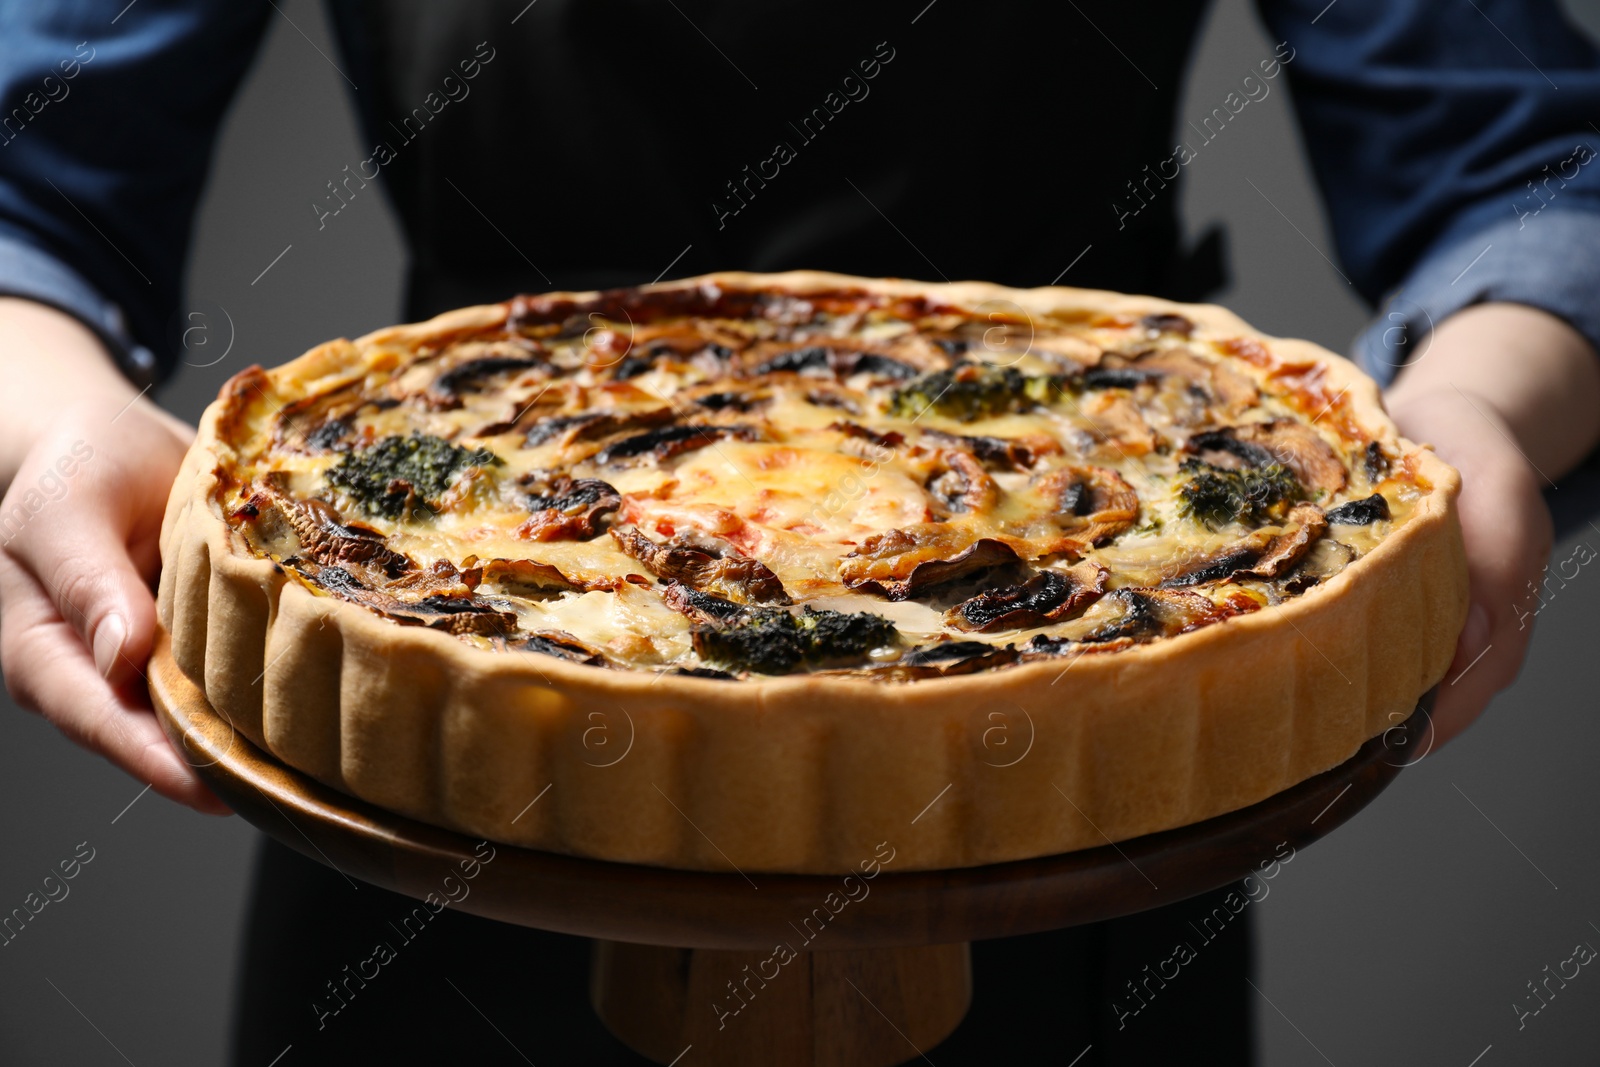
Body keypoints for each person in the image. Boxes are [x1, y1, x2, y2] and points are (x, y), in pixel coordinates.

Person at [1, 1, 1597, 1062]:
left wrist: (1481, 413)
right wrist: (54, 426)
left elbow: (1543, 177)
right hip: (434, 750)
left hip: (1071, 777)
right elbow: (28, 195)